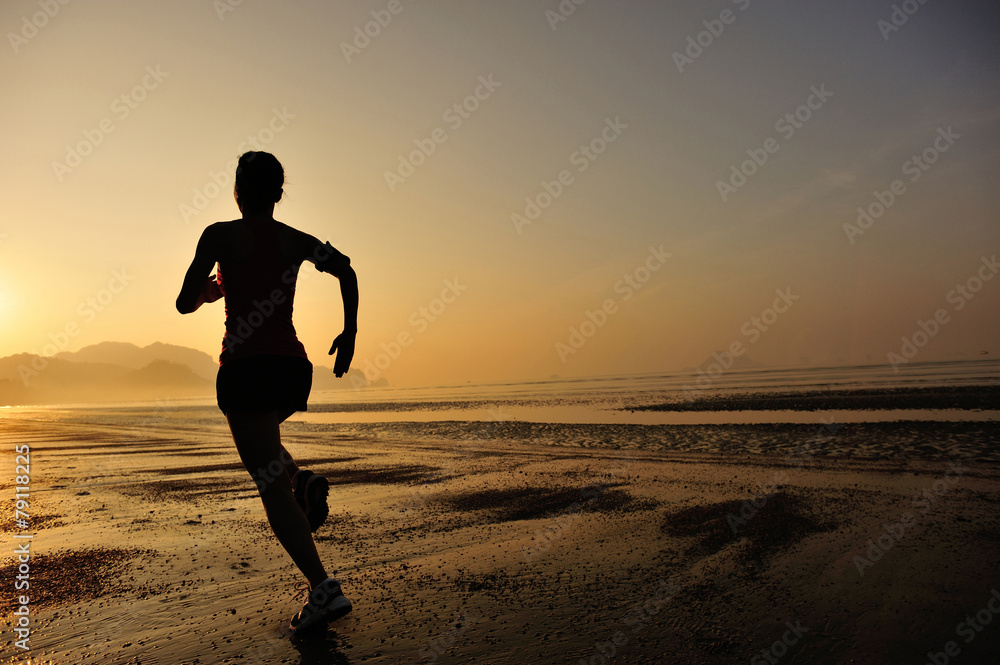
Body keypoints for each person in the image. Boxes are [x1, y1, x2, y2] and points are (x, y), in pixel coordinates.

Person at [175, 151, 359, 633]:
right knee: (268, 455)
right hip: (292, 369)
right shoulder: (294, 240)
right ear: (278, 193)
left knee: (267, 482)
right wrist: (350, 334)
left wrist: (210, 292)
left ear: (237, 190)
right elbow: (346, 271)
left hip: (245, 370)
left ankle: (323, 589)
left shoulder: (218, 235)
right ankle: (302, 482)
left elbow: (182, 303)